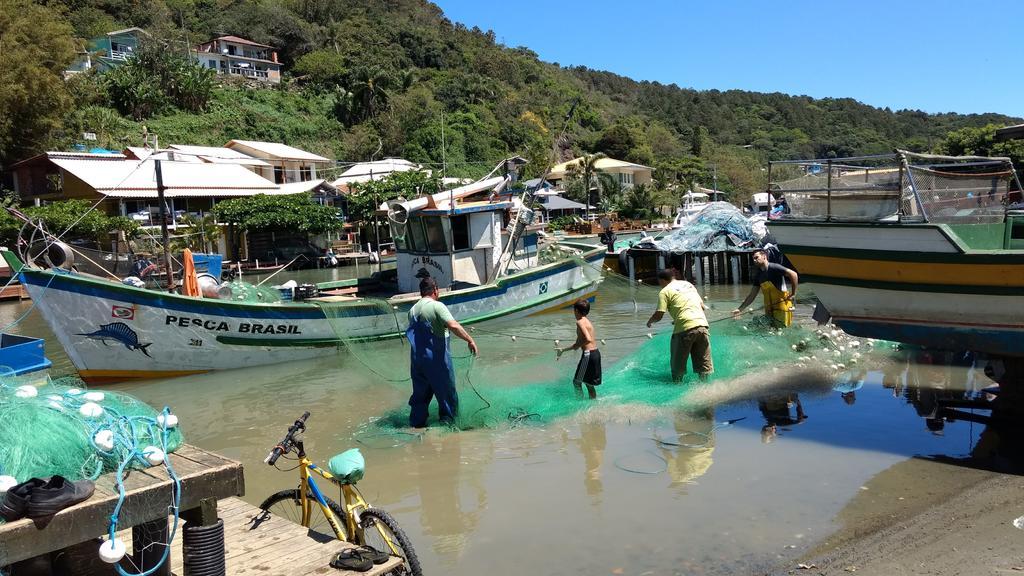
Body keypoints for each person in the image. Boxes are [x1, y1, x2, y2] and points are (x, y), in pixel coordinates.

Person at [407, 277, 478, 428]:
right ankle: (449, 430)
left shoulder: (412, 311)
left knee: (420, 398)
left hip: (417, 363)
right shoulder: (437, 306)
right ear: (435, 290)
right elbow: (453, 325)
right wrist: (469, 340)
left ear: (421, 292)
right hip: (437, 362)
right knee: (447, 398)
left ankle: (416, 427)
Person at [646, 269, 713, 382]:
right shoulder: (688, 285)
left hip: (684, 329)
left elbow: (659, 314)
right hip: (702, 326)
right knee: (704, 366)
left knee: (677, 367)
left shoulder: (664, 291)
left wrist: (650, 322)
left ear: (662, 280)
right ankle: (705, 388)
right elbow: (701, 306)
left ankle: (677, 387)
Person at [733, 249, 799, 327]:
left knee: (781, 332)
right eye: (753, 259)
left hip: (782, 308)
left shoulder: (774, 267)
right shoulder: (758, 275)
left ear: (764, 256)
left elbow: (794, 274)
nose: (754, 260)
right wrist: (740, 309)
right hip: (769, 310)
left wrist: (793, 293)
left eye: (756, 257)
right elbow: (752, 295)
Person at [556, 299, 601, 399]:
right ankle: (593, 403)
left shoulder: (580, 322)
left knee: (576, 382)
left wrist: (578, 345)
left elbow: (588, 339)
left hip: (588, 354)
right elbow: (577, 344)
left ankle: (579, 404)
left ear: (576, 311)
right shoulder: (587, 321)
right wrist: (563, 350)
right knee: (589, 383)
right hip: (595, 353)